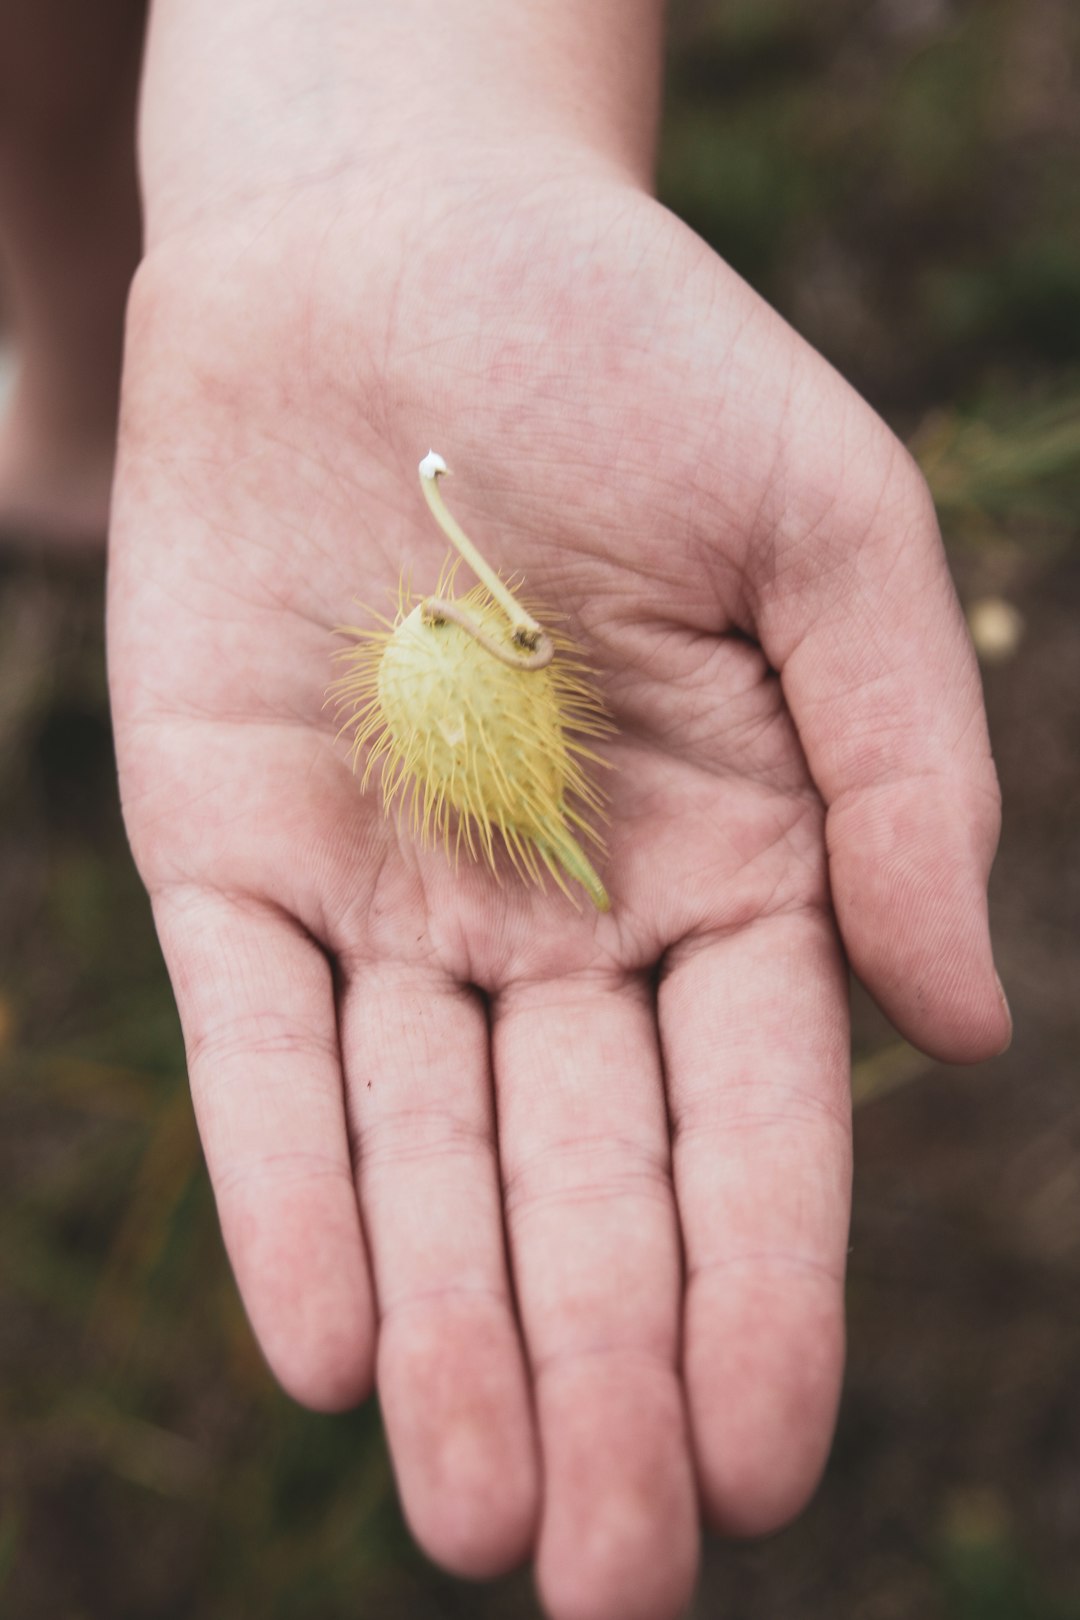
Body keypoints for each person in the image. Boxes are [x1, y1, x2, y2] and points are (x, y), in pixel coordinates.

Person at [1, 3, 1011, 1617]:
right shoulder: (438, 650)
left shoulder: (444, 645)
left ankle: (68, 387)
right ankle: (73, 371)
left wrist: (397, 122)